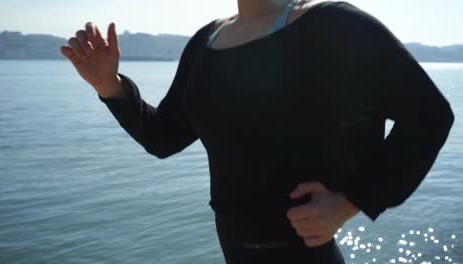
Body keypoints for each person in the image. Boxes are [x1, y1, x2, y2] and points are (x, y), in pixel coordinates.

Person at [59, 0, 455, 263]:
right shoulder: (206, 41)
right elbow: (163, 137)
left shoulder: (335, 25)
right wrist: (109, 86)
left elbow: (429, 115)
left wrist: (351, 201)